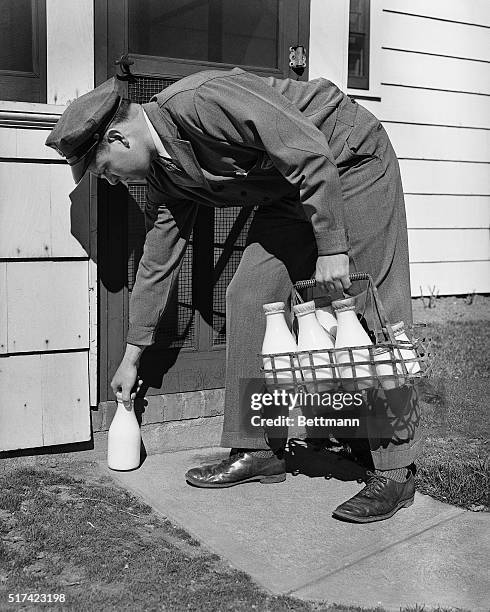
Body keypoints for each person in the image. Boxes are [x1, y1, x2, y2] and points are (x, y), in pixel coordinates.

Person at [46, 67, 421, 523]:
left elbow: (306, 149)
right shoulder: (164, 176)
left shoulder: (202, 101)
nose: (108, 182)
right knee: (250, 296)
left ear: (119, 139)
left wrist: (333, 246)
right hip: (287, 190)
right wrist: (132, 353)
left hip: (345, 159)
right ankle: (258, 448)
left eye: (103, 170)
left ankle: (394, 468)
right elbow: (158, 261)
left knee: (365, 303)